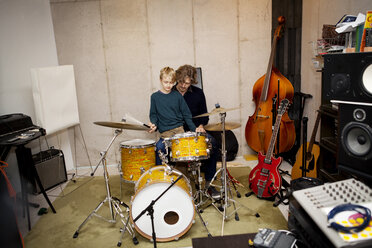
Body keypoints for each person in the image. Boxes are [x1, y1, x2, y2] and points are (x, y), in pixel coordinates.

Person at [174, 64, 220, 199]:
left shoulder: (198, 93)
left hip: (195, 131)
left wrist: (200, 125)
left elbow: (205, 116)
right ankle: (167, 186)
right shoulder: (169, 93)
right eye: (181, 82)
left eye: (187, 83)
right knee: (160, 148)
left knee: (213, 144)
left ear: (192, 82)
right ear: (177, 78)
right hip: (175, 132)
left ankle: (209, 183)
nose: (183, 85)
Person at [148, 67, 203, 165]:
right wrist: (154, 124)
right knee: (159, 149)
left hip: (179, 131)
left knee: (187, 152)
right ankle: (161, 176)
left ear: (174, 82)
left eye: (171, 82)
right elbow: (153, 114)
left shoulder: (177, 96)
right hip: (165, 133)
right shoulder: (154, 97)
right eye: (166, 82)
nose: (168, 85)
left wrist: (194, 129)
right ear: (160, 80)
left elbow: (187, 115)